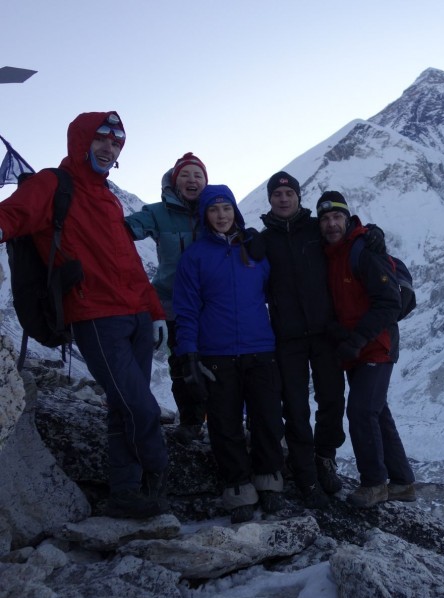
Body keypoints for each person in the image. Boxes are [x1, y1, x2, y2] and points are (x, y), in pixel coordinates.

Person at [0, 111, 170, 519]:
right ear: (80, 141)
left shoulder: (109, 198)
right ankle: (161, 473)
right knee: (140, 406)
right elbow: (11, 217)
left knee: (121, 406)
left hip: (137, 318)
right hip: (95, 317)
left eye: (116, 143)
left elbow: (129, 261)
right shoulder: (52, 184)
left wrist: (155, 311)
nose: (109, 148)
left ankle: (124, 491)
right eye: (101, 140)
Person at [258, 171, 387, 509]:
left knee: (331, 402)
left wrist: (372, 233)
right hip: (287, 339)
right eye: (277, 195)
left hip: (326, 334)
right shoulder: (261, 241)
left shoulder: (316, 230)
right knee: (296, 409)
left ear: (299, 197)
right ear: (270, 200)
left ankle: (325, 457)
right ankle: (305, 476)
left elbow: (345, 237)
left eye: (289, 193)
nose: (284, 199)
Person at [173, 184, 285, 523]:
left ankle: (269, 478)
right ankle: (237, 486)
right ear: (205, 216)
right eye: (213, 210)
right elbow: (187, 310)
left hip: (260, 348)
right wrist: (188, 355)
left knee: (266, 417)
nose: (221, 216)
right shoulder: (195, 256)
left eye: (226, 208)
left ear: (235, 211)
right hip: (216, 353)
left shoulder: (254, 250)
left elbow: (277, 293)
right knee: (224, 422)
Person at [316, 191, 416, 508]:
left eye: (337, 217)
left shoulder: (362, 250)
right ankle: (401, 482)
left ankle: (374, 484)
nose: (332, 224)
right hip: (356, 349)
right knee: (376, 412)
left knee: (361, 411)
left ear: (348, 218)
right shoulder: (330, 254)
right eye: (325, 218)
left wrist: (357, 338)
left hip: (377, 347)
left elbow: (389, 302)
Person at [125, 152, 209, 443]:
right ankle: (190, 421)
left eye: (197, 175)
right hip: (171, 303)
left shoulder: (213, 211)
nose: (191, 180)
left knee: (215, 363)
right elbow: (127, 229)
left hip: (209, 305)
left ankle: (219, 419)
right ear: (174, 181)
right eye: (185, 175)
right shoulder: (158, 212)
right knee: (181, 366)